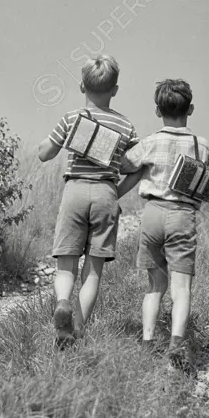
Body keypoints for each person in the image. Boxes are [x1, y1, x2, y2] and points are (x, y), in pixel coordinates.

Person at [116, 78, 209, 373]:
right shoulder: (202, 145)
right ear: (191, 109)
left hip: (152, 213)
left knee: (154, 285)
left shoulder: (151, 142)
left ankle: (147, 342)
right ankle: (176, 342)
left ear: (157, 111)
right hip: (182, 215)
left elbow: (124, 165)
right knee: (181, 286)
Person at [38, 54, 138, 347]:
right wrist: (116, 192)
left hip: (74, 192)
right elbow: (138, 166)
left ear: (82, 87)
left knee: (66, 265)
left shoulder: (72, 118)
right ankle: (77, 329)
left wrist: (48, 142)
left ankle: (62, 302)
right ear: (115, 90)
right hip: (106, 193)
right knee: (93, 271)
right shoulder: (126, 126)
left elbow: (45, 153)